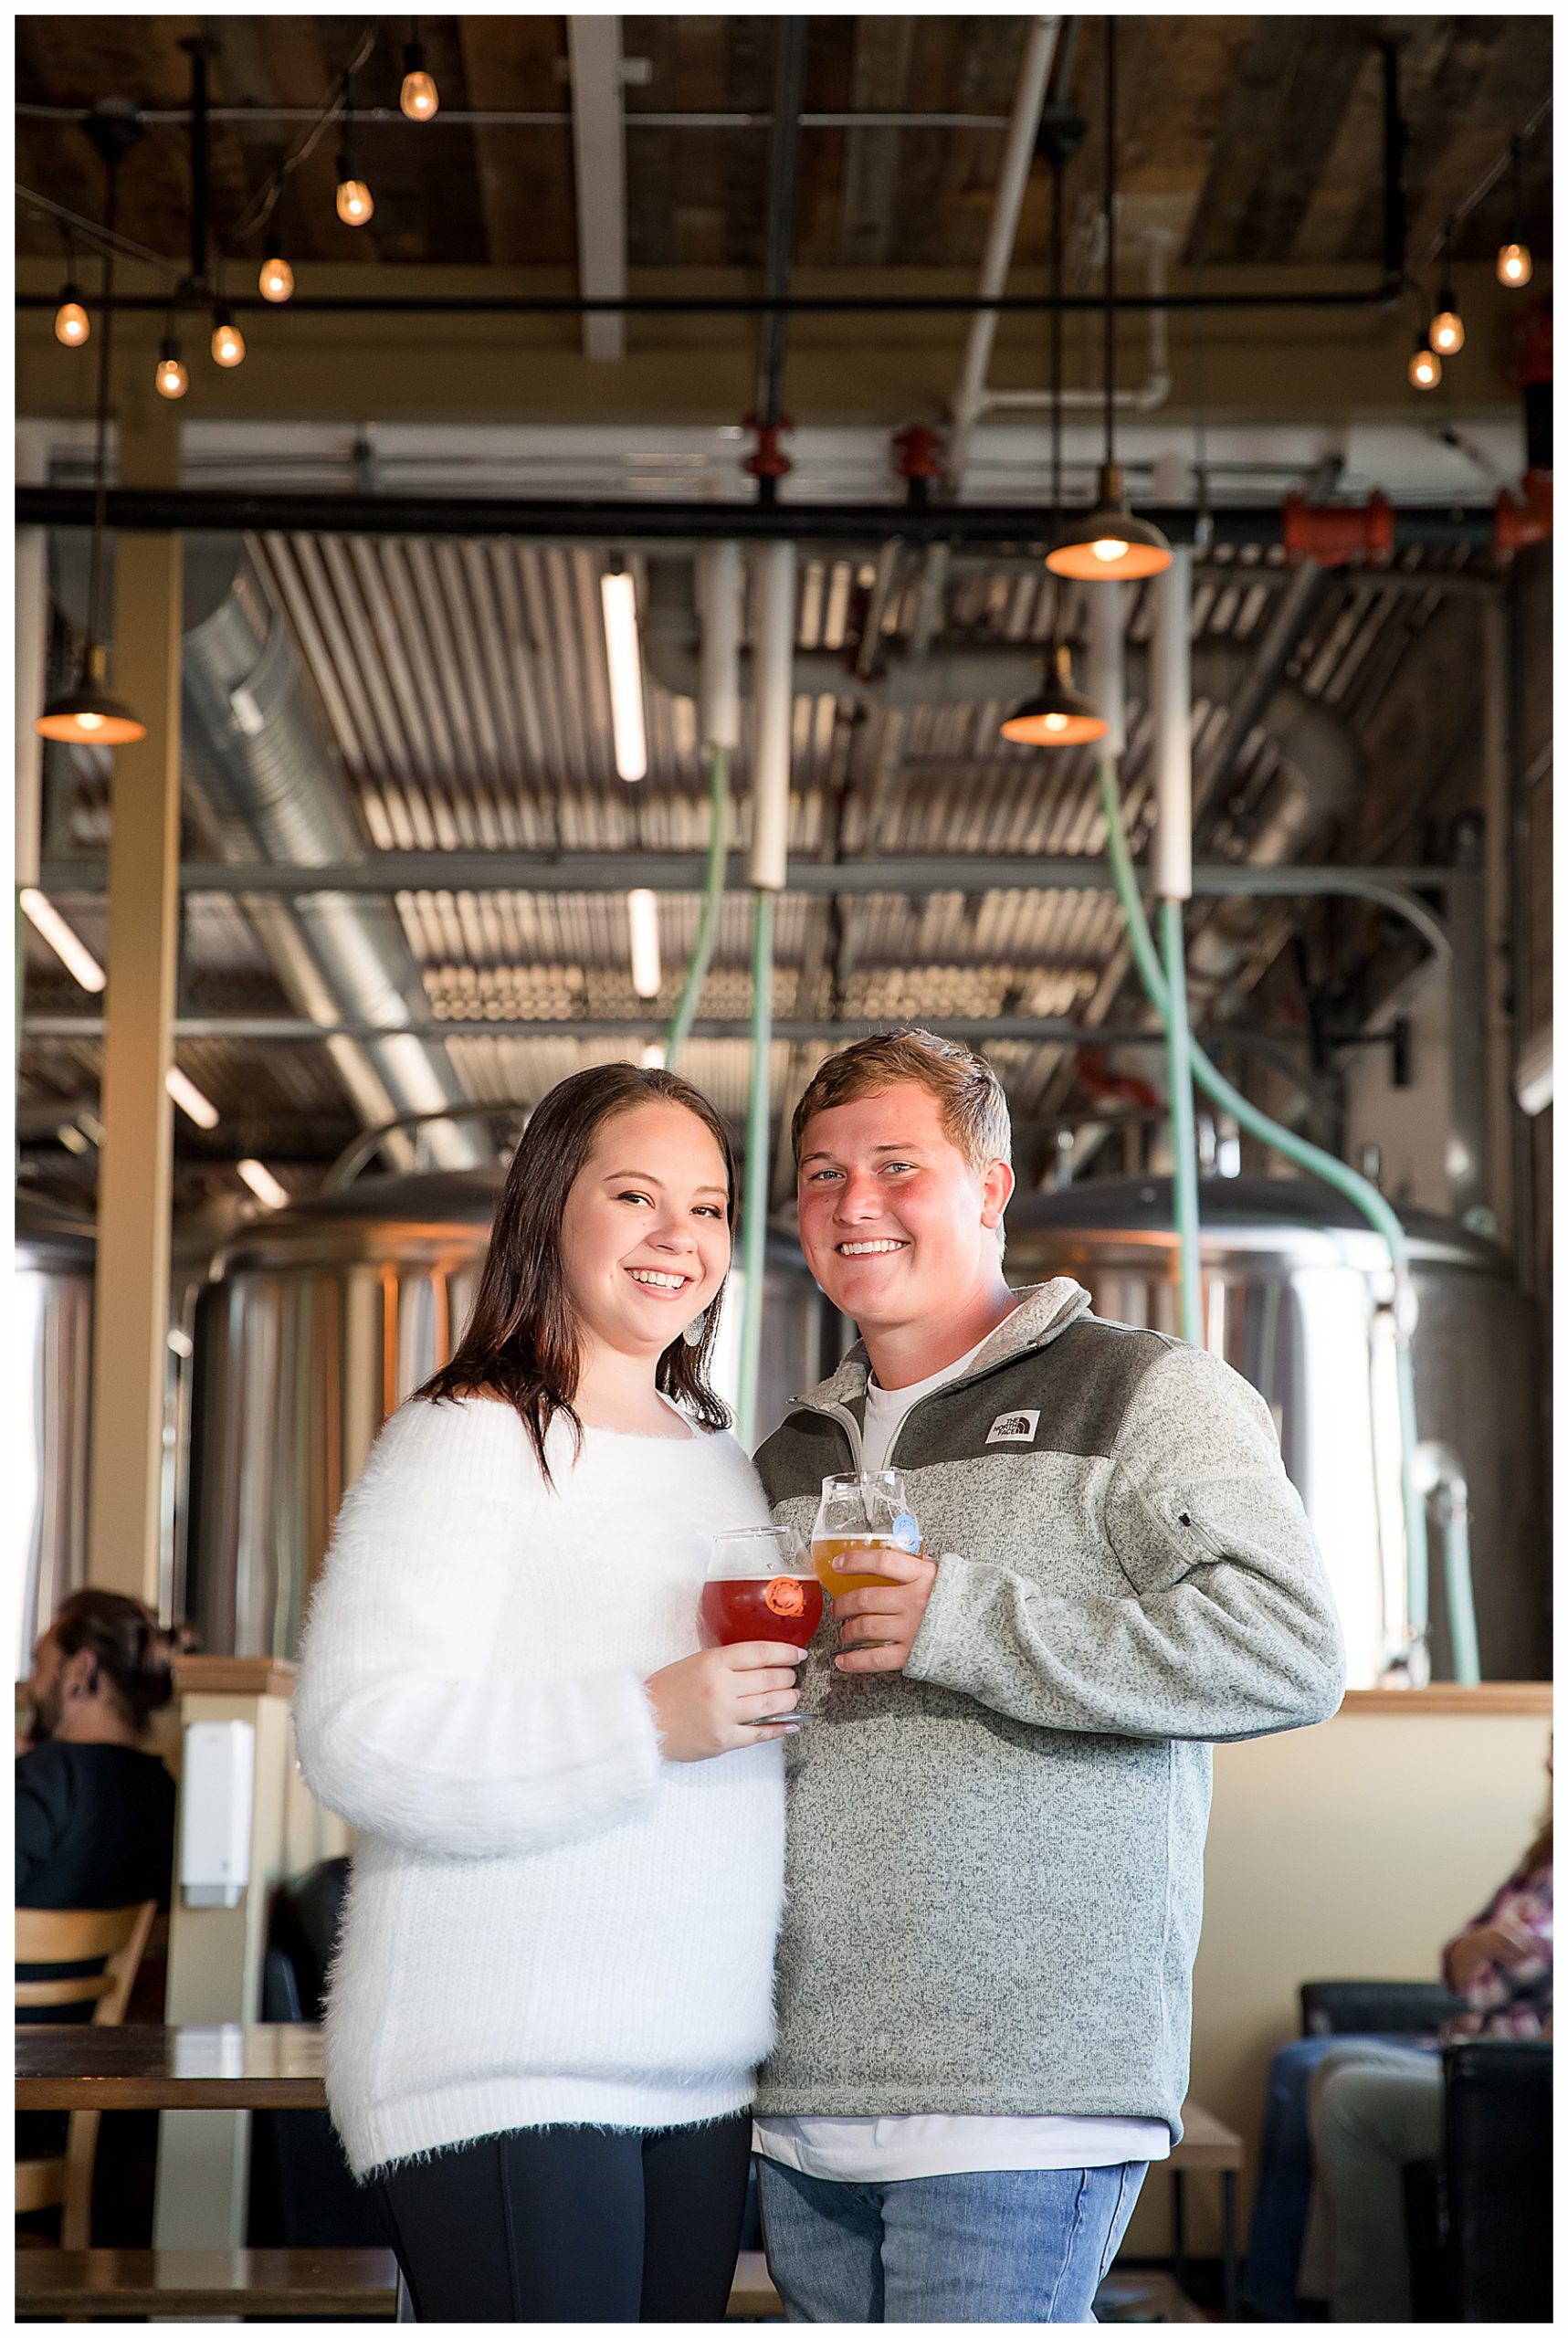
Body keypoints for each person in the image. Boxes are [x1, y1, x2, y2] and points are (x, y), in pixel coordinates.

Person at [749, 1028, 1346, 2324]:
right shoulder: (788, 1449)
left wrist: (962, 1622)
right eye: (819, 1174)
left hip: (1023, 2083)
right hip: (800, 2089)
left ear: (989, 1186)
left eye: (896, 1165)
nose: (853, 1203)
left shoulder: (1143, 1392)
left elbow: (1289, 1651)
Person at [293, 1064, 803, 2324]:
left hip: (697, 2062)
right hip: (505, 2058)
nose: (677, 1236)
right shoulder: (469, 1436)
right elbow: (361, 1738)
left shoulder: (721, 1464)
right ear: (546, 1211)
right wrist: (642, 1721)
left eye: (709, 1206)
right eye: (635, 1195)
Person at [1297, 1776, 1552, 2322]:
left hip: (1515, 2074)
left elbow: (1516, 1972)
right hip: (1475, 2049)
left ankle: (1371, 2317)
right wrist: (1481, 1950)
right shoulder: (1545, 1858)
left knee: (1349, 2099)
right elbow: (1458, 1967)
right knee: (1330, 2066)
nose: (1553, 1759)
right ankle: (1312, 2305)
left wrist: (1488, 1960)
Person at [16, 1589, 180, 2223]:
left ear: (81, 1672)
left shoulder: (48, 1780)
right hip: (83, 2101)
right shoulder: (161, 1792)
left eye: (40, 1665)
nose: (30, 1686)